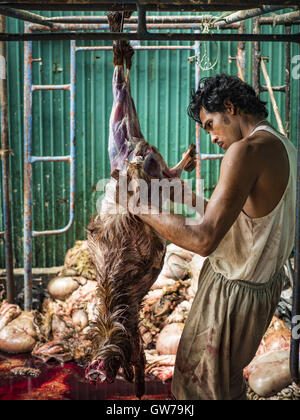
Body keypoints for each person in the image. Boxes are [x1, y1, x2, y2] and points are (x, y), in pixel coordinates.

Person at [128, 74, 297, 400]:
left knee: (197, 391)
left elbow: (204, 240)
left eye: (210, 124)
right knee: (225, 384)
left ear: (230, 107)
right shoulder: (284, 146)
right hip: (260, 290)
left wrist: (140, 208)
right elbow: (248, 222)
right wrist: (188, 198)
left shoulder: (244, 152)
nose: (210, 136)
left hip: (230, 295)